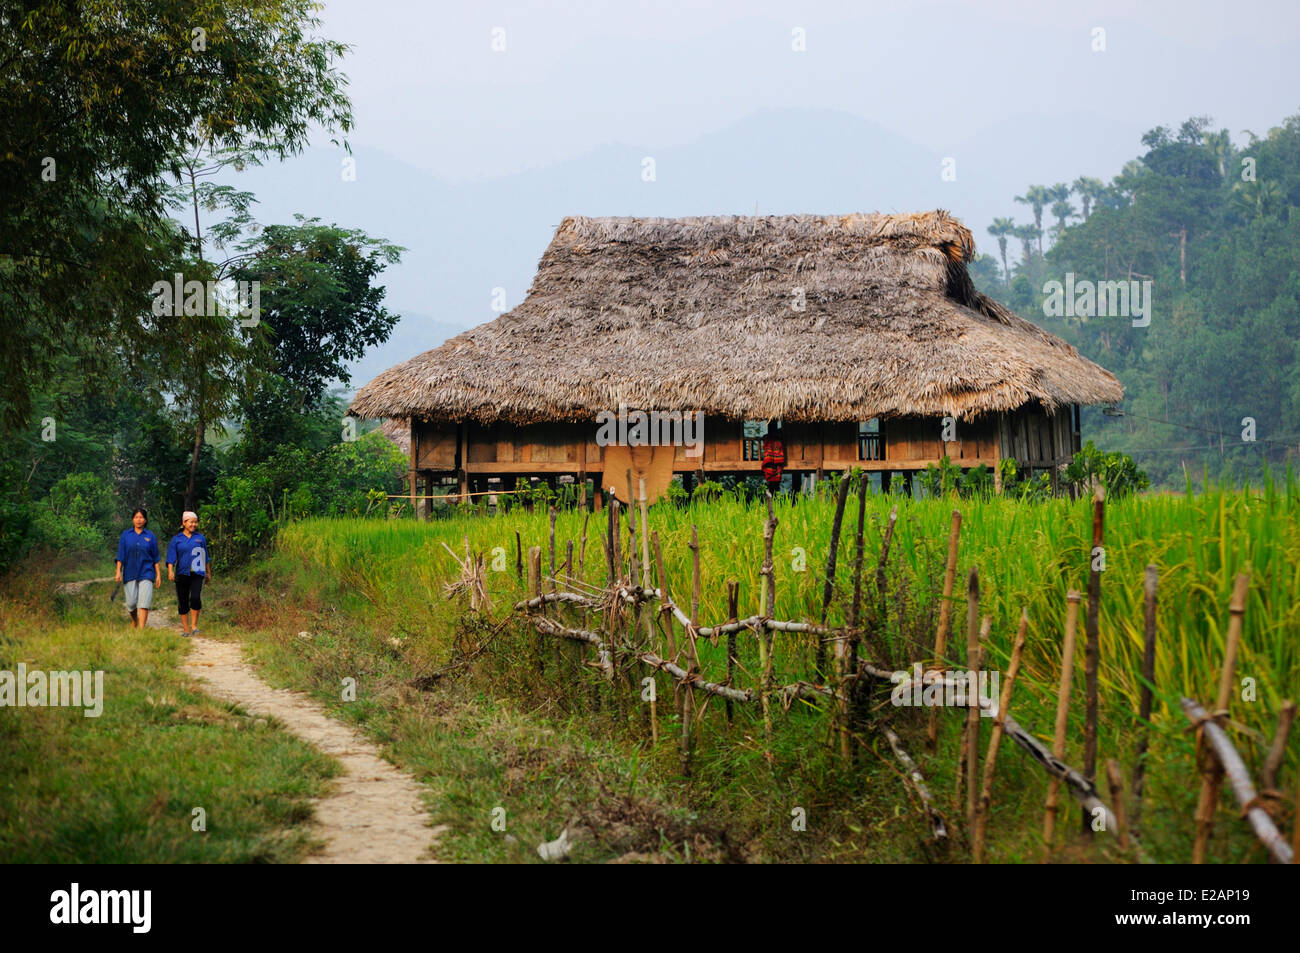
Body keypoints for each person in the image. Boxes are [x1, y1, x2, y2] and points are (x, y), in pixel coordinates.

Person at [166, 511, 212, 637]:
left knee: (195, 598)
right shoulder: (177, 539)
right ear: (184, 523)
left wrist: (208, 572)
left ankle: (194, 626)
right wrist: (170, 570)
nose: (193, 524)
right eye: (191, 522)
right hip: (182, 573)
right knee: (183, 600)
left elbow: (205, 556)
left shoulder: (200, 538)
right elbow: (171, 557)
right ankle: (186, 629)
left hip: (197, 573)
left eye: (195, 522)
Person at [115, 508, 161, 628]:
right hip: (130, 572)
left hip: (147, 572)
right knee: (131, 603)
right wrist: (118, 571)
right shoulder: (126, 535)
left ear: (145, 520)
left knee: (144, 603)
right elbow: (121, 555)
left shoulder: (150, 536)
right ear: (132, 520)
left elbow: (155, 557)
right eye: (136, 517)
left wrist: (158, 575)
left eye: (141, 517)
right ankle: (135, 620)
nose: (139, 520)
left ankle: (141, 630)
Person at [761, 422, 786, 497]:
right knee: (774, 484)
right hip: (772, 462)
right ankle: (773, 495)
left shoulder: (775, 441)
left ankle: (772, 495)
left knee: (772, 484)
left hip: (772, 462)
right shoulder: (775, 441)